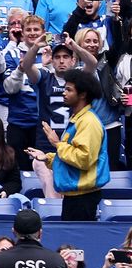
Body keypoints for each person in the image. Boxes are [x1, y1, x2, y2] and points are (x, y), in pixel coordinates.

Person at [26, 67, 108, 220]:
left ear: (82, 94)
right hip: (74, 196)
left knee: (77, 244)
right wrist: (47, 158)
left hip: (84, 199)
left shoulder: (88, 122)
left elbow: (83, 159)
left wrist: (57, 143)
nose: (64, 93)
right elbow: (70, 156)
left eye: (69, 90)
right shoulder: (78, 119)